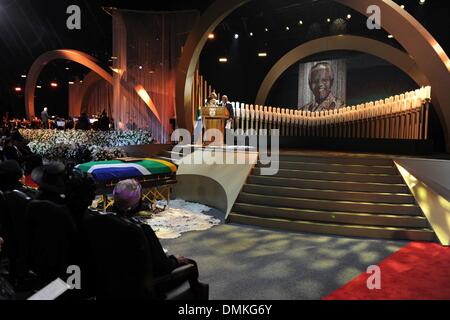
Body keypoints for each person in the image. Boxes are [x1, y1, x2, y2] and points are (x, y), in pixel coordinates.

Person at [112, 179, 191, 278]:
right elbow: (163, 266)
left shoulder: (102, 222)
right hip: (140, 284)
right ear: (138, 203)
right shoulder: (141, 229)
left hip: (110, 281)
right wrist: (175, 260)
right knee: (192, 264)